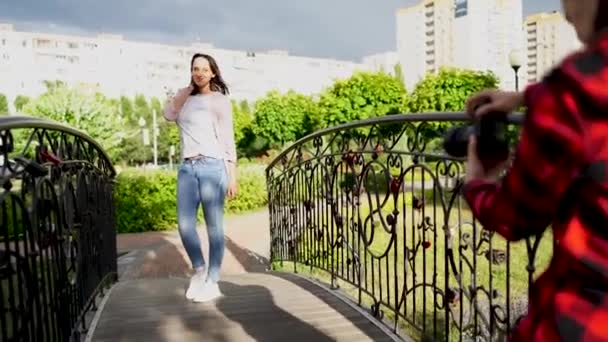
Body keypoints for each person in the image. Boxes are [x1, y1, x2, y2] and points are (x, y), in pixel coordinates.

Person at [463, 1, 608, 341]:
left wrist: (477, 184)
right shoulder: (574, 90)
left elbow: (513, 217)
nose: (566, 13)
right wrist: (529, 96)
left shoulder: (573, 91)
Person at [163, 53, 238, 303]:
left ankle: (213, 280)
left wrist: (232, 175)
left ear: (213, 73)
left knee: (214, 226)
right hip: (187, 168)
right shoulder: (183, 98)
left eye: (205, 69)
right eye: (196, 68)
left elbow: (227, 139)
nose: (200, 73)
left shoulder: (219, 100)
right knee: (185, 226)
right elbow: (168, 115)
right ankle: (199, 270)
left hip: (212, 166)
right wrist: (186, 90)